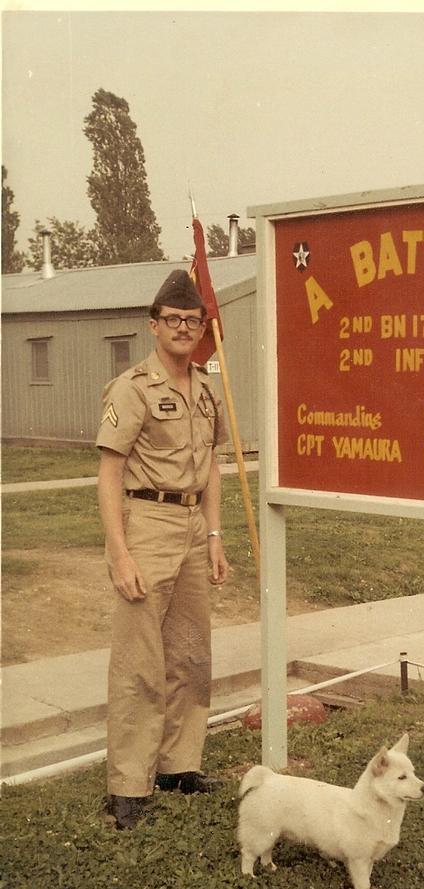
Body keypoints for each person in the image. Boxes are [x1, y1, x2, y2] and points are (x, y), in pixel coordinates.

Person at [96, 270, 229, 830]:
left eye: (191, 321)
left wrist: (216, 535)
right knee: (140, 663)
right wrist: (120, 551)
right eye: (171, 320)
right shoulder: (132, 387)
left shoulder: (205, 390)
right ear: (154, 326)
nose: (182, 329)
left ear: (201, 330)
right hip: (145, 522)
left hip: (193, 526)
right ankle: (128, 786)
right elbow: (108, 471)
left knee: (191, 655)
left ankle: (178, 765)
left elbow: (213, 468)